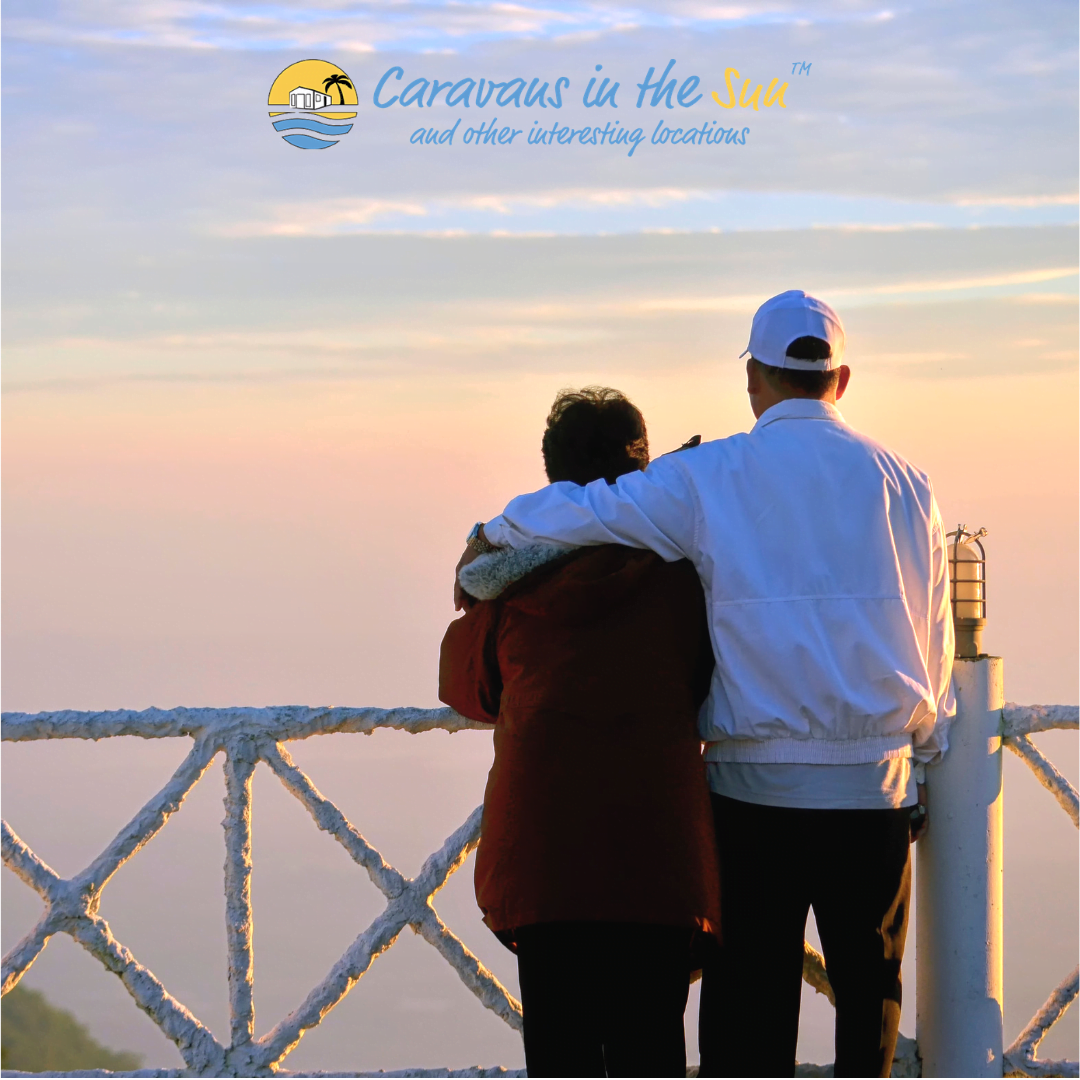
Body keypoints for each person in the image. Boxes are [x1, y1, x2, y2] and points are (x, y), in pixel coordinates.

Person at [454, 292, 955, 1078]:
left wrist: (495, 541)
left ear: (753, 377)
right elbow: (937, 643)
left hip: (753, 796)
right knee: (869, 1002)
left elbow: (588, 513)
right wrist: (922, 754)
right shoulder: (908, 486)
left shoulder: (709, 476)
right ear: (842, 379)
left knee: (748, 1019)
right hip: (876, 789)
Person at [439, 386, 721, 1079]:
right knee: (650, 1055)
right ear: (644, 470)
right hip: (656, 859)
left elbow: (468, 690)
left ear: (551, 474)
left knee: (562, 1061)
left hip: (545, 861)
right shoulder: (687, 581)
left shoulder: (510, 584)